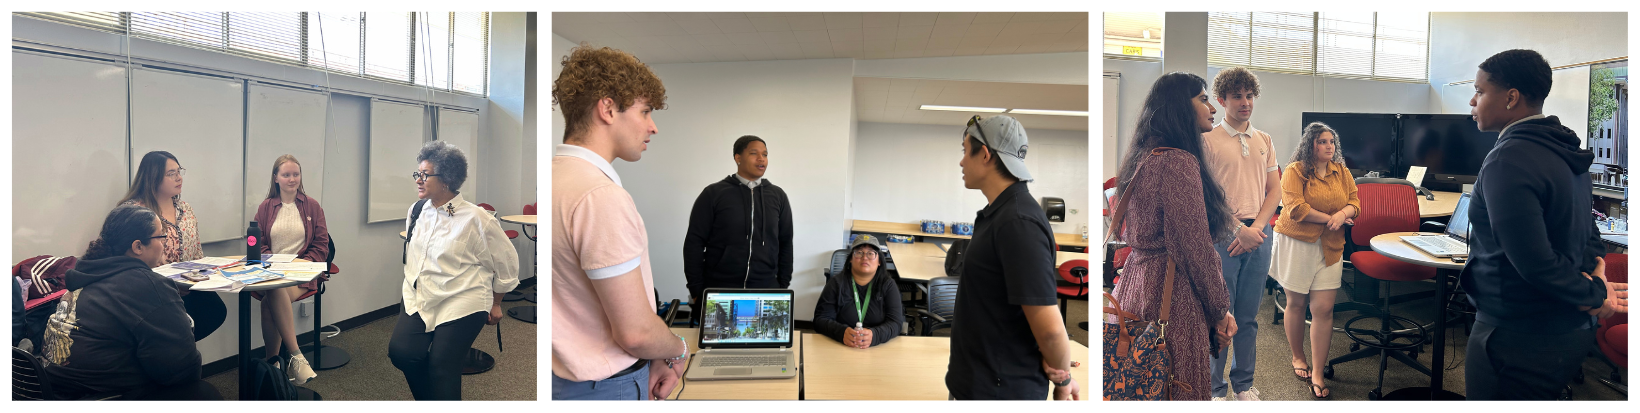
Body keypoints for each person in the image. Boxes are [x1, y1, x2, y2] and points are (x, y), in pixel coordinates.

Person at [1461, 49, 1629, 400]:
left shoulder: (1507, 158)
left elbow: (1535, 262)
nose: (1472, 101)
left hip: (1518, 334)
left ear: (1511, 98)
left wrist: (1596, 295)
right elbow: (1589, 232)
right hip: (1566, 330)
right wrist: (1594, 281)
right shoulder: (1564, 148)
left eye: (1479, 91)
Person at [550, 44, 689, 401]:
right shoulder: (600, 196)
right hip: (604, 388)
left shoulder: (553, 178)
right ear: (608, 109)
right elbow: (636, 334)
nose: (652, 127)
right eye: (645, 111)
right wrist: (677, 349)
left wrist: (652, 355)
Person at [1110, 72, 1236, 401]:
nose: (1213, 108)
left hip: (1136, 284)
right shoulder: (1178, 162)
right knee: (1173, 386)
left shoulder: (1144, 155)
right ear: (1181, 106)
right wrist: (1220, 310)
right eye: (1203, 99)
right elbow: (1195, 250)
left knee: (1139, 385)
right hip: (1170, 292)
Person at [945, 114, 1079, 400]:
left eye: (965, 151)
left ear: (985, 154)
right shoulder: (1001, 215)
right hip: (980, 381)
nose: (961, 162)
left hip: (999, 391)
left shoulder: (1017, 222)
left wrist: (1063, 379)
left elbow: (1051, 331)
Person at [40, 205, 221, 400]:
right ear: (138, 247)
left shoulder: (86, 276)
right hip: (102, 397)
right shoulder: (148, 285)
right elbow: (183, 371)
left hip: (53, 393)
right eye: (161, 237)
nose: (164, 244)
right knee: (204, 393)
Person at [389, 141, 519, 400]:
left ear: (446, 180)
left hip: (463, 298)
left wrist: (496, 303)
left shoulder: (477, 219)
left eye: (425, 175)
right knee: (402, 353)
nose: (418, 180)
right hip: (420, 295)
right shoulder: (417, 211)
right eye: (418, 173)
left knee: (442, 366)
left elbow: (507, 264)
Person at [1203, 67, 1281, 401]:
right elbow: (1207, 197)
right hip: (1223, 235)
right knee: (1221, 316)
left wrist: (1256, 229)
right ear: (1222, 100)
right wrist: (1238, 229)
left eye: (1249, 96)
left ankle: (1243, 386)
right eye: (1237, 96)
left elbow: (1275, 191)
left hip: (1259, 235)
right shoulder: (1207, 140)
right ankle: (1214, 389)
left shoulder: (1265, 140)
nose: (1245, 102)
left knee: (1249, 318)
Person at [1270, 122, 1359, 399]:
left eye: (1332, 141)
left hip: (1330, 246)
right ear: (1310, 144)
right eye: (1322, 141)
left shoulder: (1341, 171)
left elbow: (1355, 202)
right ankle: (1298, 356)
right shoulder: (1295, 171)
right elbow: (1296, 209)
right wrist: (1333, 218)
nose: (1329, 146)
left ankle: (1318, 371)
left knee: (1324, 309)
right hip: (1297, 243)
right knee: (1297, 304)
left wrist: (1342, 213)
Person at [683, 135, 795, 321]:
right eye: (754, 153)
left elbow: (785, 242)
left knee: (764, 339)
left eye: (765, 154)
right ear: (738, 158)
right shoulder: (713, 193)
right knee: (718, 339)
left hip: (766, 289)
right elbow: (694, 243)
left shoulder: (778, 196)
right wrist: (696, 290)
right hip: (719, 290)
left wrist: (782, 286)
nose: (761, 159)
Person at [117, 150, 224, 342]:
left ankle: (178, 351)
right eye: (171, 174)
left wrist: (200, 276)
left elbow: (196, 252)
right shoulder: (133, 212)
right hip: (152, 292)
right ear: (153, 178)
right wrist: (170, 284)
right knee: (175, 331)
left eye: (179, 171)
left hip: (189, 287)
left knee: (215, 311)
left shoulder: (185, 208)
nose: (179, 178)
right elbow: (124, 260)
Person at [251, 154, 331, 384]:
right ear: (276, 178)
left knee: (271, 295)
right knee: (274, 289)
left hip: (302, 272)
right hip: (272, 271)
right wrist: (274, 263)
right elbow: (259, 243)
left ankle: (276, 363)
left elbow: (321, 245)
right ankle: (292, 359)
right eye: (286, 175)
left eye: (296, 174)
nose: (292, 179)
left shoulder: (312, 206)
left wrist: (300, 264)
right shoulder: (266, 207)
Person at [812, 235, 903, 348]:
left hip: (877, 349)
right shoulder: (836, 284)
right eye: (859, 252)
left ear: (879, 261)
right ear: (851, 258)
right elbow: (820, 320)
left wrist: (875, 335)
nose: (865, 257)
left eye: (871, 253)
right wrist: (841, 332)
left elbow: (896, 323)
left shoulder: (888, 285)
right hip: (840, 347)